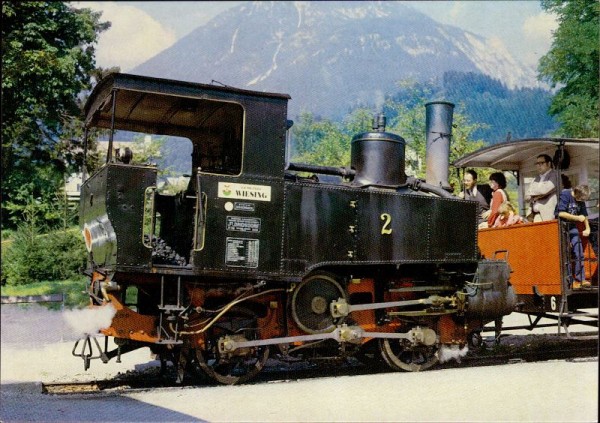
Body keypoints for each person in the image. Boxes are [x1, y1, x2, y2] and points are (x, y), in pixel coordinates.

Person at [556, 184, 592, 289]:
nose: (582, 201)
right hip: (561, 226)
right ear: (576, 193)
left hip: (572, 226)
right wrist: (577, 218)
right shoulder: (565, 194)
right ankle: (569, 282)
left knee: (579, 251)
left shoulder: (580, 200)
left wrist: (587, 228)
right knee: (565, 254)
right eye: (581, 199)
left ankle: (581, 279)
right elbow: (560, 213)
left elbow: (584, 215)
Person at [526, 154, 557, 222]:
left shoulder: (554, 175)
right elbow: (526, 196)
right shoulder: (536, 178)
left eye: (542, 163)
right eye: (537, 163)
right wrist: (536, 196)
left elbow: (544, 190)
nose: (539, 165)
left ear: (549, 164)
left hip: (546, 216)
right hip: (533, 214)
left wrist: (532, 194)